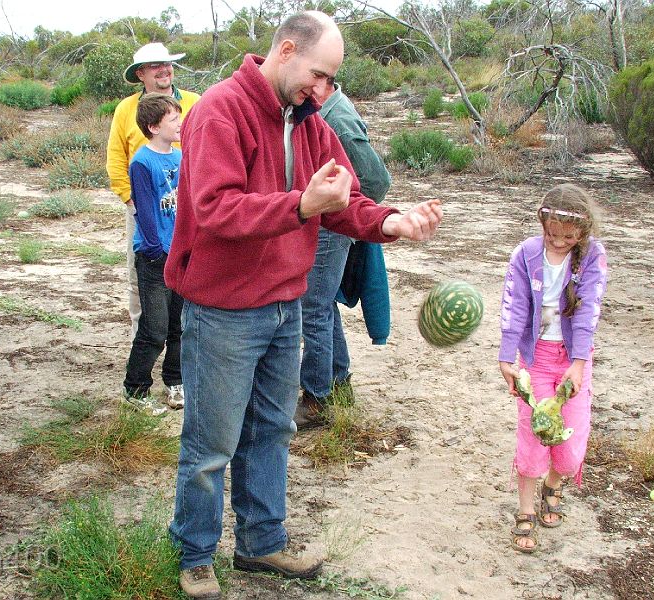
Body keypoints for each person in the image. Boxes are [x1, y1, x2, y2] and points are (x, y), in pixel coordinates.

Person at [164, 12, 442, 599]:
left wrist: (392, 221)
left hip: (286, 306)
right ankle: (195, 554)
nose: (324, 89)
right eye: (318, 74)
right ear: (285, 50)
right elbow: (216, 208)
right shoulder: (221, 108)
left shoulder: (310, 122)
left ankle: (261, 543)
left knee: (272, 429)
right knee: (212, 441)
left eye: (330, 79)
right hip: (223, 311)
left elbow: (344, 200)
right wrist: (300, 205)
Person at [497, 183, 608, 554]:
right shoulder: (526, 255)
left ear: (582, 233)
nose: (558, 242)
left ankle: (555, 483)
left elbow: (588, 312)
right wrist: (506, 358)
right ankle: (525, 509)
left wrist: (578, 365)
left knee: (571, 443)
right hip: (537, 359)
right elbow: (514, 308)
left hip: (574, 359)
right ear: (542, 225)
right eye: (551, 235)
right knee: (534, 432)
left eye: (568, 237)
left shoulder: (592, 256)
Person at [295, 80, 393, 428]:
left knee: (314, 307)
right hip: (325, 221)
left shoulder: (337, 118)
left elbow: (375, 180)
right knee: (321, 304)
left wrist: (348, 214)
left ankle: (316, 399)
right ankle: (338, 382)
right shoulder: (327, 110)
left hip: (329, 226)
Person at [106, 42, 200, 353]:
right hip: (145, 208)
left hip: (189, 210)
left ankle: (182, 354)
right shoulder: (126, 109)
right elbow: (116, 158)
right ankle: (145, 344)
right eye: (155, 65)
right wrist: (130, 201)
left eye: (168, 63)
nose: (165, 69)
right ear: (141, 74)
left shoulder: (193, 102)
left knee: (189, 278)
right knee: (143, 278)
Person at [121, 95, 185, 415]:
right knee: (155, 328)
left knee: (179, 325)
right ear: (153, 126)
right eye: (173, 119)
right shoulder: (142, 163)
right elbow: (145, 216)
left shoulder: (181, 158)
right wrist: (159, 251)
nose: (179, 124)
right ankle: (135, 388)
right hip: (154, 258)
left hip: (180, 255)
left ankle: (175, 381)